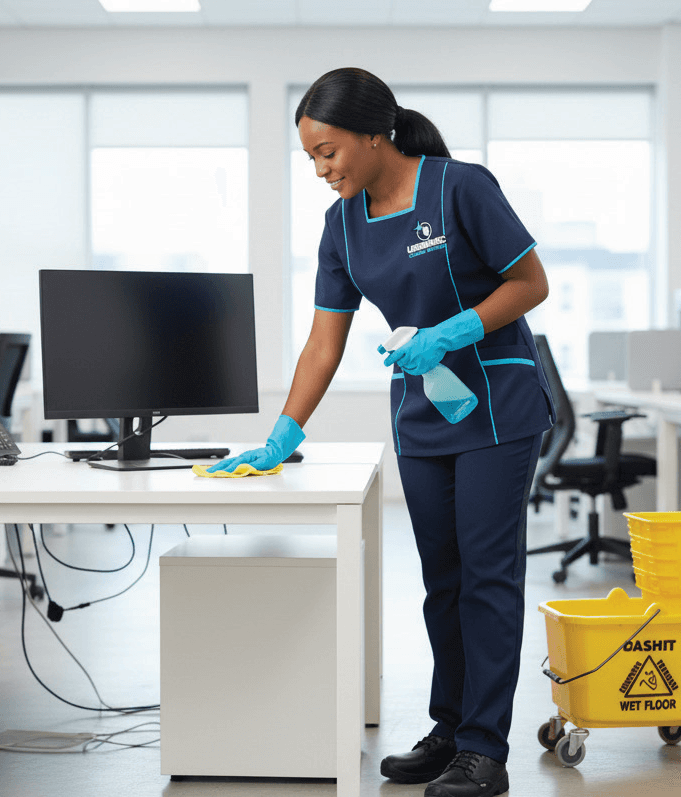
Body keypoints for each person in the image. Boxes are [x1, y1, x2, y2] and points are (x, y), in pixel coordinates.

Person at [208, 67, 554, 797]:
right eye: (310, 158)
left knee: (489, 576)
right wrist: (281, 435)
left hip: (497, 405)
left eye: (328, 151)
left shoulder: (461, 187)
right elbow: (322, 343)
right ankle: (451, 729)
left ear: (375, 133)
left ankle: (485, 751)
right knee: (443, 581)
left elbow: (531, 283)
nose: (321, 169)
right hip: (423, 414)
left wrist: (456, 327)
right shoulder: (341, 225)